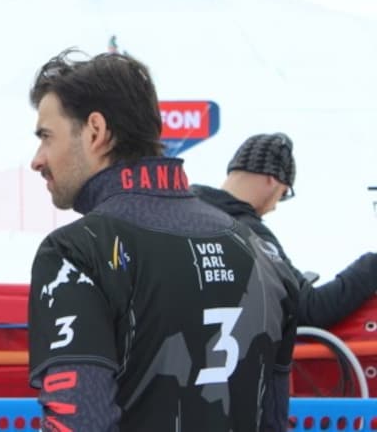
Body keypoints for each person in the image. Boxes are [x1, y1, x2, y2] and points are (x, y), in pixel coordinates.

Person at [26, 49, 299, 431]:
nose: (37, 159)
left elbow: (81, 423)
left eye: (46, 137)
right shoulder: (257, 249)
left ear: (95, 131)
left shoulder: (78, 251)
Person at [191, 133, 377, 328]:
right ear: (272, 179)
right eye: (283, 194)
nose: (274, 207)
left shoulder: (182, 215)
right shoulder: (249, 234)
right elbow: (311, 309)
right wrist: (372, 266)